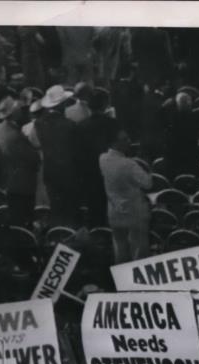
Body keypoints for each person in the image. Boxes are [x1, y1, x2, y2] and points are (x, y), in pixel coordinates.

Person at [99, 127, 153, 263]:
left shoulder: (103, 159)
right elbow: (148, 183)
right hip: (134, 213)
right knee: (139, 253)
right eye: (124, 140)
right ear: (114, 142)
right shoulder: (129, 164)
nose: (129, 142)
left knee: (120, 251)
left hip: (114, 212)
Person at [33, 84, 83, 225]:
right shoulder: (70, 125)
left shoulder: (39, 123)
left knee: (56, 207)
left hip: (50, 171)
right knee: (71, 210)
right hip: (69, 172)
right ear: (62, 104)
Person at [0, 96, 40, 226]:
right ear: (14, 113)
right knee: (24, 219)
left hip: (8, 180)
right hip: (23, 183)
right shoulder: (15, 136)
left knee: (16, 216)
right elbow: (33, 158)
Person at [77, 88, 118, 226]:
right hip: (109, 172)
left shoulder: (81, 126)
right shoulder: (112, 124)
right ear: (105, 105)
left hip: (89, 173)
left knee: (94, 210)